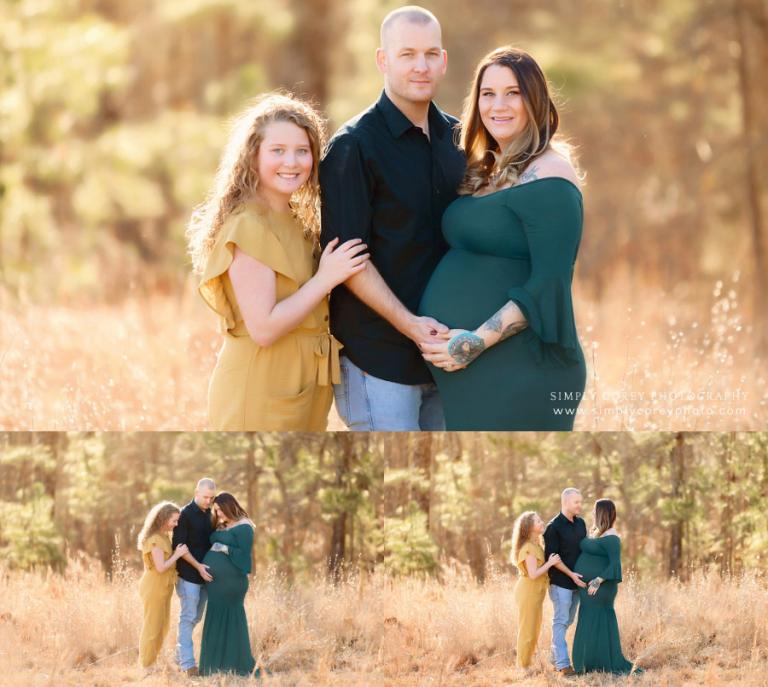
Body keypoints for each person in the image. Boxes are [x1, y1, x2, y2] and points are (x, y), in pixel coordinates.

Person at [419, 46, 587, 430]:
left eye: (513, 93)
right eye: (488, 93)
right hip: (472, 372)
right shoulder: (486, 171)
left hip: (522, 369)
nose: (499, 105)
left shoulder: (551, 175)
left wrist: (473, 343)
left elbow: (549, 284)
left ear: (536, 101)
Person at [319, 5, 466, 430]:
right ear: (383, 60)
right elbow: (349, 262)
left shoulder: (460, 140)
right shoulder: (353, 147)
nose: (421, 66)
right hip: (379, 360)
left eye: (430, 54)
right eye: (407, 55)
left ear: (443, 60)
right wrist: (412, 326)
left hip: (449, 359)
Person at [188, 93, 369, 430]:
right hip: (260, 387)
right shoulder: (249, 226)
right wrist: (325, 279)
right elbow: (264, 328)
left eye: (303, 151)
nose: (292, 162)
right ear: (252, 156)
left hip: (301, 386)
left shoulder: (298, 220)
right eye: (278, 151)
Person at [572, 499, 638, 674]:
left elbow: (615, 565)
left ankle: (602, 662)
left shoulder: (612, 537)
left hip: (601, 588)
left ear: (601, 513)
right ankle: (590, 663)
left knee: (596, 621)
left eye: (595, 511)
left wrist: (597, 580)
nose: (592, 513)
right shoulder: (597, 534)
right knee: (588, 620)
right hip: (589, 589)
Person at [199, 492, 257, 677]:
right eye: (216, 511)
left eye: (221, 510)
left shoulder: (245, 526)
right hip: (216, 586)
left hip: (232, 583)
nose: (219, 514)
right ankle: (214, 666)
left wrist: (223, 548)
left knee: (231, 619)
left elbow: (244, 554)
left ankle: (237, 664)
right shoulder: (222, 525)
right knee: (215, 617)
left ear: (230, 506)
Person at [136, 501, 188, 670]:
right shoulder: (155, 540)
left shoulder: (165, 537)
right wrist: (178, 554)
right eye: (174, 520)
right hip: (154, 586)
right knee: (152, 625)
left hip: (164, 586)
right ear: (163, 518)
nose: (176, 524)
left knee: (162, 624)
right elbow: (161, 567)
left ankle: (153, 661)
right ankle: (146, 664)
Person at [173, 478, 216, 677]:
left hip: (205, 577)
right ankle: (188, 665)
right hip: (189, 575)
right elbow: (180, 548)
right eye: (205, 497)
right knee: (188, 617)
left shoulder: (212, 514)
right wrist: (198, 567)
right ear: (196, 492)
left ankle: (179, 655)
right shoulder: (184, 515)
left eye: (211, 497)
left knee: (195, 618)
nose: (208, 501)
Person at [543, 488, 588, 676]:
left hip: (578, 584)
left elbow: (585, 549)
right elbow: (552, 557)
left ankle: (553, 657)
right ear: (565, 502)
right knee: (561, 621)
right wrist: (571, 575)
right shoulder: (553, 527)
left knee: (567, 621)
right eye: (576, 502)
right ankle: (563, 665)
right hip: (561, 582)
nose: (580, 505)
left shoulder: (581, 524)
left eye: (580, 501)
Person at [510, 511, 561, 670]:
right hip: (528, 591)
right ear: (529, 527)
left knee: (534, 628)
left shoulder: (537, 545)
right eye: (537, 521)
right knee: (527, 629)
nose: (541, 522)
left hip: (536, 592)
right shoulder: (528, 548)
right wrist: (551, 562)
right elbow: (533, 574)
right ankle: (522, 667)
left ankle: (527, 663)